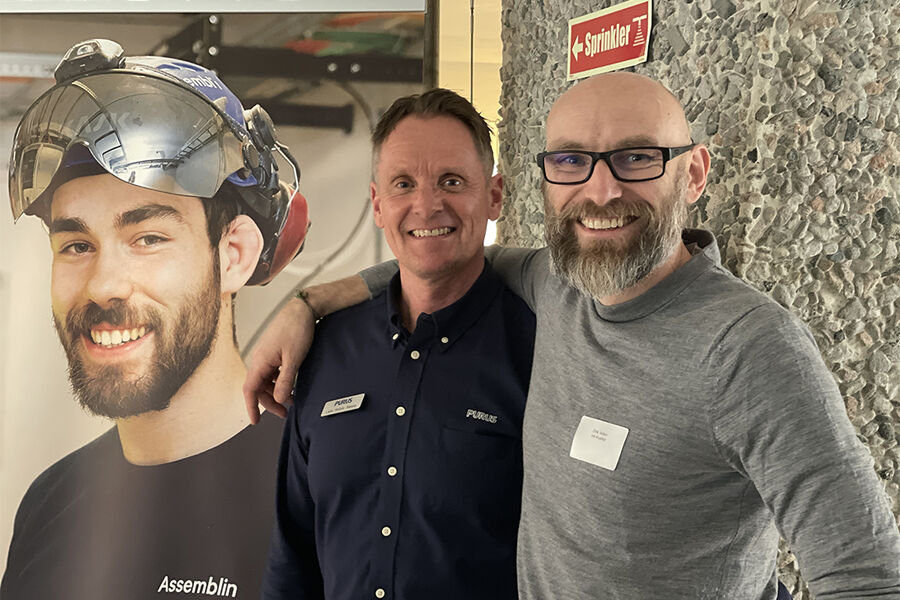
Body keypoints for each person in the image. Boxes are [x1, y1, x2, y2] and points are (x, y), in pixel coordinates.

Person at [245, 72, 900, 599]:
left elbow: (867, 576)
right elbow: (440, 255)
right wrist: (306, 301)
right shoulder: (556, 282)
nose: (602, 189)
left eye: (637, 158)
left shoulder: (750, 349)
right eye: (572, 162)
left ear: (694, 174)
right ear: (548, 180)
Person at [1, 39, 309, 600]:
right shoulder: (51, 501)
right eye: (75, 245)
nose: (103, 285)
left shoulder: (324, 502)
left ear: (234, 254)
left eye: (147, 238)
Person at [261, 89, 535, 600]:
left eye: (451, 181)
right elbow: (293, 552)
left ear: (495, 194)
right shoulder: (326, 349)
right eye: (403, 184)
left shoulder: (537, 352)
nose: (426, 205)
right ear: (378, 204)